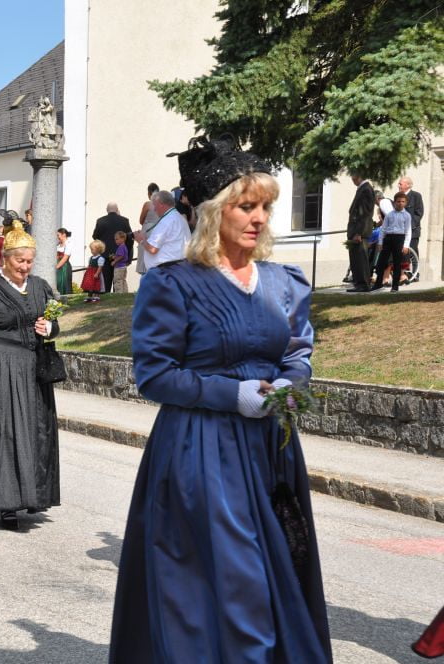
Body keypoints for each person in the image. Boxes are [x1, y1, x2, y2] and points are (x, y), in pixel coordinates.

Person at [108, 138, 331, 663]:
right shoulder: (174, 284)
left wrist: (290, 384)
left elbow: (297, 353)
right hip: (201, 451)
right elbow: (155, 375)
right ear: (214, 212)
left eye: (265, 207)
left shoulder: (283, 282)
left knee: (277, 574)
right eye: (246, 206)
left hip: (271, 450)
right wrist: (232, 394)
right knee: (234, 583)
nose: (260, 218)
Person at [0, 219, 60, 530]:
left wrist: (50, 327)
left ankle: (32, 495)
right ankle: (7, 502)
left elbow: (54, 322)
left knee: (35, 431)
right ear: (5, 259)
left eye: (30, 261)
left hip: (33, 366)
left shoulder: (40, 286)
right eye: (20, 261)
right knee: (6, 431)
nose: (25, 267)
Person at [133, 190, 191, 271]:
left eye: (155, 205)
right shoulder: (178, 217)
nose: (154, 209)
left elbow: (152, 249)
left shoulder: (167, 221)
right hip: (176, 267)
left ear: (161, 204)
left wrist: (141, 240)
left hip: (165, 270)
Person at [370, 192, 412, 293]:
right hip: (388, 238)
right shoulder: (389, 215)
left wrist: (406, 245)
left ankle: (395, 286)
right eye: (398, 201)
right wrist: (380, 242)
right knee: (381, 262)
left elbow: (408, 231)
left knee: (397, 263)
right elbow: (383, 229)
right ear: (395, 202)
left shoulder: (407, 215)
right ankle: (378, 283)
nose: (400, 203)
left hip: (399, 238)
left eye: (403, 202)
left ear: (405, 203)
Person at [346, 174, 375, 292]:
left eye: (353, 176)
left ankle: (363, 284)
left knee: (360, 259)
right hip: (356, 230)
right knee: (355, 259)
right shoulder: (363, 189)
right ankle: (359, 283)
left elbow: (363, 214)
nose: (352, 179)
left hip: (359, 231)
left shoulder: (365, 189)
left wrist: (359, 232)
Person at [93, 202, 133, 287]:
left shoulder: (100, 221)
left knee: (105, 283)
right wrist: (127, 255)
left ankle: (106, 294)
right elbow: (130, 238)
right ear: (117, 209)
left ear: (107, 210)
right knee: (118, 282)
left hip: (105, 255)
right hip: (120, 257)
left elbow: (95, 237)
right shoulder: (124, 220)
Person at [134, 183, 160, 275]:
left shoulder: (148, 204)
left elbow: (141, 220)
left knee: (144, 258)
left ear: (149, 193)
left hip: (147, 231)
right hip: (158, 232)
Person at [398, 175, 424, 258]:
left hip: (413, 231)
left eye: (400, 184)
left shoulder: (416, 196)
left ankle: (415, 267)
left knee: (412, 253)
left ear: (408, 185)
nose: (398, 186)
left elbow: (419, 213)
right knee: (401, 255)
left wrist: (409, 226)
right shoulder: (398, 196)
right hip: (400, 231)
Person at [55, 228, 73, 295]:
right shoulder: (58, 245)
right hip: (58, 265)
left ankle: (65, 298)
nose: (57, 237)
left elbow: (65, 258)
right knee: (57, 282)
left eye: (58, 235)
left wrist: (57, 267)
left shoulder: (68, 244)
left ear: (64, 235)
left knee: (64, 283)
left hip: (64, 267)